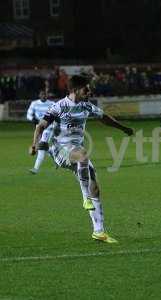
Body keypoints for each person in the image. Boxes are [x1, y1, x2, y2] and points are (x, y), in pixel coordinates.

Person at [29, 75, 134, 243]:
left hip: (76, 151)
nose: (89, 91)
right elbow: (40, 125)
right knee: (83, 156)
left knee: (94, 183)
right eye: (86, 88)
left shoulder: (86, 106)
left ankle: (99, 231)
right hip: (60, 150)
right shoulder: (59, 106)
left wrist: (123, 128)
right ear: (75, 90)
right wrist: (34, 144)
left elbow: (104, 118)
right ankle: (85, 198)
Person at [26, 88, 55, 174]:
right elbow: (28, 114)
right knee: (44, 147)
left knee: (41, 146)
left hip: (49, 128)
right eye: (42, 94)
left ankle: (35, 169)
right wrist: (33, 119)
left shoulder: (52, 104)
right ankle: (55, 154)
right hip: (39, 128)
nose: (43, 96)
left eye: (45, 94)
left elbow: (57, 114)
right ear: (39, 95)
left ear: (47, 95)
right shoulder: (34, 103)